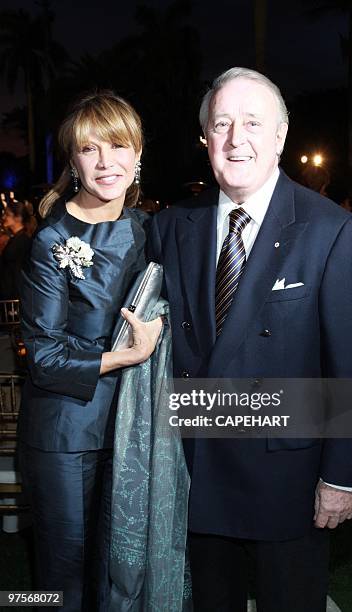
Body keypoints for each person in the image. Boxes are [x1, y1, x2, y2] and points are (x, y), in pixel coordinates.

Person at [148, 68, 352, 612]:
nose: (235, 139)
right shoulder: (171, 226)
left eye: (252, 122)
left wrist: (342, 476)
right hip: (195, 473)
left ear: (280, 136)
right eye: (221, 123)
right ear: (205, 139)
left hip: (289, 480)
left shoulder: (333, 231)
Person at [18, 91, 162, 612]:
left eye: (118, 145)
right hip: (67, 434)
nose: (106, 162)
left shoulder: (152, 229)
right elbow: (44, 357)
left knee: (117, 571)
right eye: (89, 149)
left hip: (132, 430)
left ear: (138, 152)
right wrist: (122, 358)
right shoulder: (51, 241)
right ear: (73, 161)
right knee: (63, 578)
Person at [0, 201, 35, 299]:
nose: (3, 218)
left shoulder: (23, 240)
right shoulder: (15, 238)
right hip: (10, 292)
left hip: (15, 294)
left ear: (18, 217)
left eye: (7, 215)